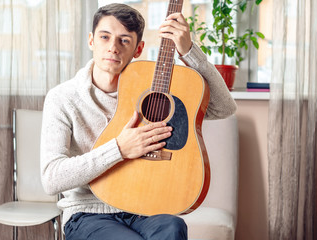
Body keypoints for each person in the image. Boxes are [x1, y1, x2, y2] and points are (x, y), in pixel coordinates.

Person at [40, 3, 237, 240]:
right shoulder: (62, 98)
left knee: (174, 228)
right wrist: (119, 149)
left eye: (124, 40)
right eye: (105, 37)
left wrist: (189, 51)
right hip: (88, 214)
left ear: (138, 49)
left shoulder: (152, 91)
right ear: (91, 40)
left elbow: (224, 108)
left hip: (146, 208)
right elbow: (52, 178)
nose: (113, 47)